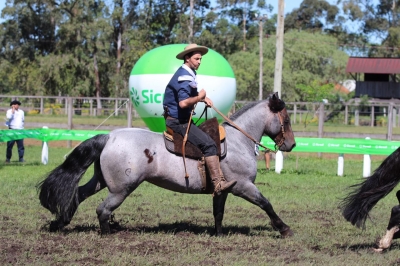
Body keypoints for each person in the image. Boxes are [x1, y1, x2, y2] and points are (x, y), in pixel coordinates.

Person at [163, 43, 236, 196]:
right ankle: (218, 184)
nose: (199, 62)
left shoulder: (188, 72)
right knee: (209, 144)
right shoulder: (184, 75)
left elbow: (190, 96)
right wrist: (199, 97)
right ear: (187, 58)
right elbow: (183, 103)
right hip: (178, 122)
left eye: (200, 59)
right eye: (196, 59)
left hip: (180, 119)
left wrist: (204, 99)